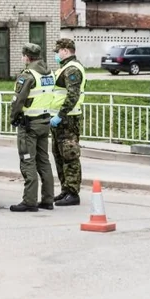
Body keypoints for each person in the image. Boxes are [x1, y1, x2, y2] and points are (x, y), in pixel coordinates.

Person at [8, 43, 56, 212]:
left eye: (23, 55)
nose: (22, 58)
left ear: (27, 57)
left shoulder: (27, 75)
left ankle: (30, 201)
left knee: (28, 161)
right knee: (44, 161)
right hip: (45, 121)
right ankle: (48, 199)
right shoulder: (49, 73)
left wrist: (13, 117)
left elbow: (18, 100)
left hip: (29, 125)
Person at [49, 38, 87, 206]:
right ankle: (65, 190)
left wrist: (61, 115)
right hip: (61, 119)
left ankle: (72, 192)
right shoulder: (64, 68)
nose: (56, 55)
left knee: (70, 155)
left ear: (65, 50)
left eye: (57, 52)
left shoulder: (72, 69)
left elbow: (73, 95)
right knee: (59, 155)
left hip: (68, 119)